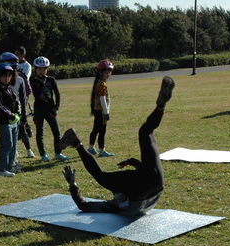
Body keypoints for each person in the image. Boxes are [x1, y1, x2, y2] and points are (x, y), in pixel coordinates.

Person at [60, 76, 175, 216]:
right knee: (145, 133)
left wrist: (72, 184)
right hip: (150, 184)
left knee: (145, 133)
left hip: (155, 185)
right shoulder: (118, 202)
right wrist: (133, 162)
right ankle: (160, 107)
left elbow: (83, 205)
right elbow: (83, 205)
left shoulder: (114, 206)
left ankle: (76, 143)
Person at [30, 56, 67, 161]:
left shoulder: (51, 80)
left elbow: (57, 93)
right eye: (40, 69)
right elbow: (37, 94)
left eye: (44, 68)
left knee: (57, 132)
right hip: (39, 110)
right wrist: (42, 81)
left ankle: (58, 153)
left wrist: (56, 108)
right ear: (35, 69)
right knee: (40, 133)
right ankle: (43, 155)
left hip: (50, 109)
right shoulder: (33, 80)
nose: (42, 71)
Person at [0, 52, 34, 159]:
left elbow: (25, 94)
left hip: (17, 110)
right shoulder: (1, 78)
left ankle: (28, 150)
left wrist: (23, 114)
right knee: (8, 135)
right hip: (6, 111)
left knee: (22, 130)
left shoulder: (20, 78)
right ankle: (13, 153)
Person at [0, 63, 21, 177]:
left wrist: (18, 112)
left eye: (9, 75)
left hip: (14, 122)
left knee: (13, 144)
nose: (7, 78)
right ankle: (1, 168)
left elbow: (17, 100)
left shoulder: (9, 89)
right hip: (5, 122)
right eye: (4, 75)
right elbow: (0, 106)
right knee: (6, 144)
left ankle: (11, 165)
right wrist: (11, 115)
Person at [88, 59, 115, 157]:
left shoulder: (99, 82)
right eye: (106, 72)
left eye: (109, 72)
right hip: (101, 111)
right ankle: (102, 150)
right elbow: (103, 99)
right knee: (102, 131)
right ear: (100, 72)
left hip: (97, 110)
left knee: (95, 129)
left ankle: (91, 148)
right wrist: (106, 112)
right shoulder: (102, 84)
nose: (108, 74)